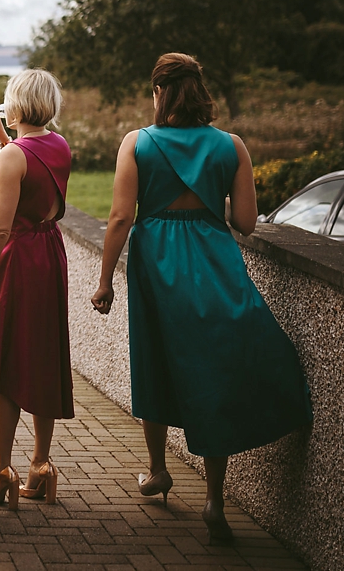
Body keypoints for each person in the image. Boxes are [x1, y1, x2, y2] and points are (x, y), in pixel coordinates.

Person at [91, 53, 312, 545]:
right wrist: (208, 190)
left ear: (159, 93)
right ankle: (214, 497)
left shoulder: (137, 143)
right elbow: (248, 223)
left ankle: (157, 471)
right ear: (199, 91)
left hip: (155, 263)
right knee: (213, 369)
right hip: (214, 260)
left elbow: (121, 218)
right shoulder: (231, 145)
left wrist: (105, 281)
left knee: (152, 357)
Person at [0, 70, 72, 510]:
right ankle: (40, 465)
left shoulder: (11, 158)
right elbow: (33, 172)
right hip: (50, 255)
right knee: (44, 355)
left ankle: (2, 472)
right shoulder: (59, 145)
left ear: (17, 103)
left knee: (6, 363)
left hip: (16, 261)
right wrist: (2, 136)